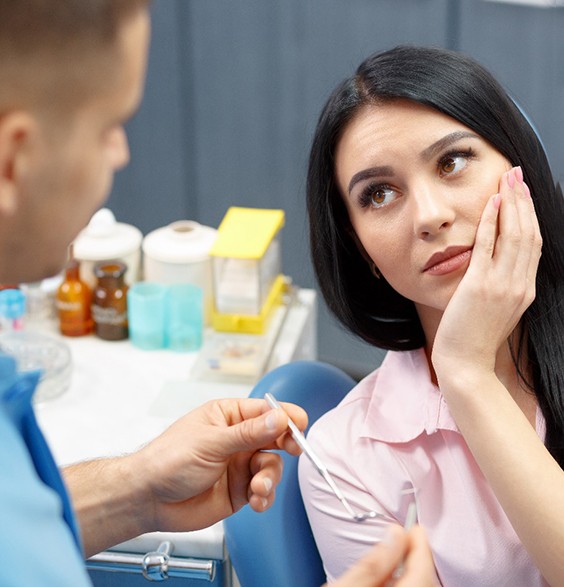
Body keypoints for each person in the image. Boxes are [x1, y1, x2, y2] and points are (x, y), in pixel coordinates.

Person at [0, 3, 431, 586]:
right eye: (108, 127)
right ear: (12, 161)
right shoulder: (357, 455)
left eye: (454, 162)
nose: (122, 153)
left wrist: (138, 487)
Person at [299, 44, 564, 586]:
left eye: (452, 161)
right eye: (379, 194)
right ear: (361, 250)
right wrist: (465, 371)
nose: (430, 216)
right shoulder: (347, 462)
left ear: (521, 166)